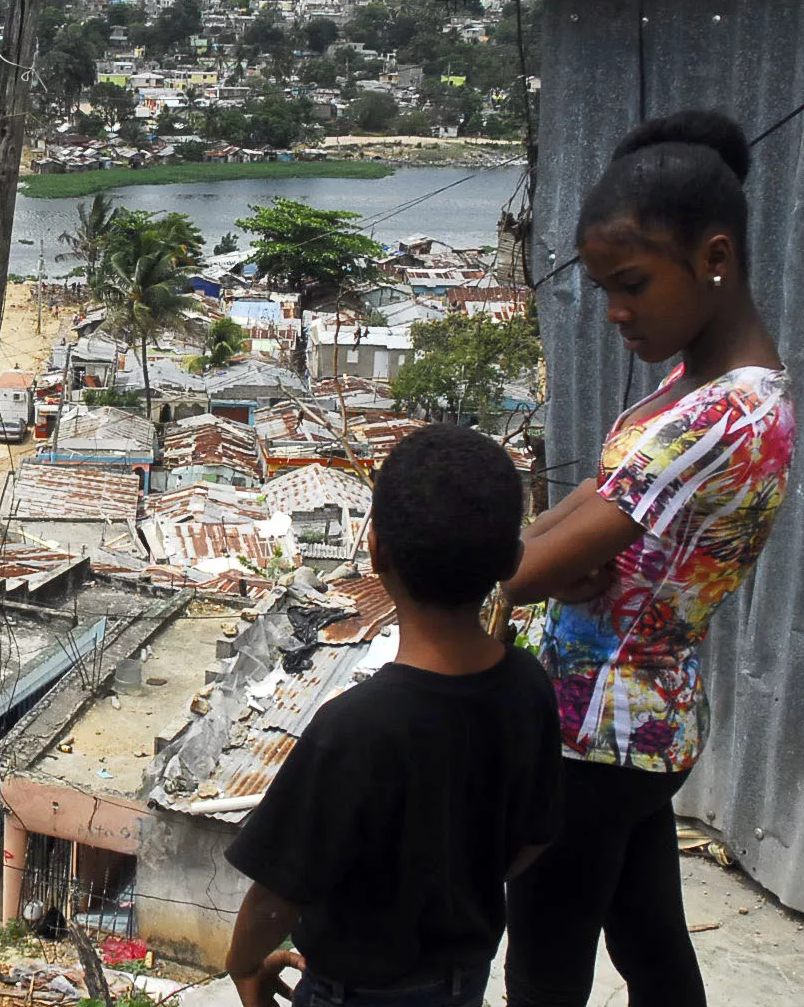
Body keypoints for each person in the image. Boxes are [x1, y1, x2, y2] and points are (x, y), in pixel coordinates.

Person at [500, 112, 795, 1007]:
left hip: (600, 734)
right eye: (603, 289)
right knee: (652, 942)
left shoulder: (719, 420)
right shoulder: (702, 381)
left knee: (544, 966)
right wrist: (536, 556)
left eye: (630, 284)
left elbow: (518, 572)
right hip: (636, 723)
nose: (617, 311)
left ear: (714, 257)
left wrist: (500, 569)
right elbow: (597, 498)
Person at [224, 425, 561, 1007]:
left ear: (376, 549)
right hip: (463, 982)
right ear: (511, 559)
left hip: (355, 992)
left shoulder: (353, 728)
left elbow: (275, 896)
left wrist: (244, 967)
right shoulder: (529, 687)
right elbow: (535, 838)